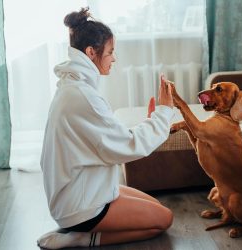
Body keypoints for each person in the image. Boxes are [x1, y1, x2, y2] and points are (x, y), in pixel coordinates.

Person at [37, 7, 174, 249]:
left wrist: (151, 120)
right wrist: (164, 113)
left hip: (80, 189)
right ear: (91, 52)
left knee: (157, 208)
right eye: (110, 52)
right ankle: (82, 237)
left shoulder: (74, 87)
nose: (114, 58)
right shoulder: (82, 96)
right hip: (79, 207)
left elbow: (111, 137)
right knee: (164, 219)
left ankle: (81, 230)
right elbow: (128, 146)